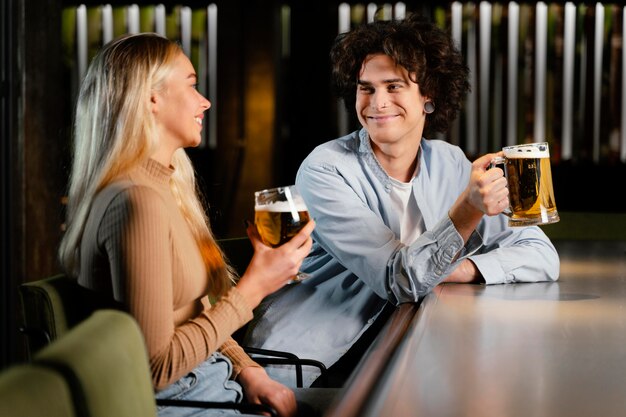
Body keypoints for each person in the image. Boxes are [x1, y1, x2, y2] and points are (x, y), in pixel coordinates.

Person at [243, 13, 560, 388]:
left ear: (428, 95)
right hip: (316, 363)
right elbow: (401, 281)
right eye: (366, 88)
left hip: (412, 344)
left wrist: (456, 270)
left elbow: (541, 255)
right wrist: (469, 210)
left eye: (393, 87)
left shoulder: (450, 162)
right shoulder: (324, 169)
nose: (377, 103)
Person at [58, 32, 320, 417]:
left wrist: (249, 371)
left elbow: (194, 314)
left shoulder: (162, 185)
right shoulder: (137, 200)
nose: (206, 101)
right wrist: (254, 287)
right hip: (184, 402)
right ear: (152, 97)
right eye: (193, 85)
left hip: (215, 383)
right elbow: (156, 369)